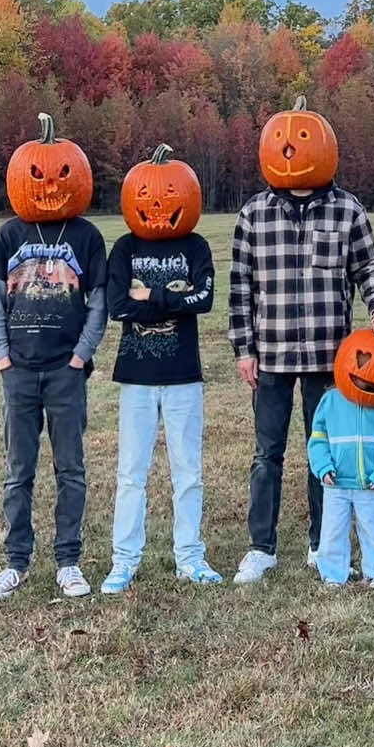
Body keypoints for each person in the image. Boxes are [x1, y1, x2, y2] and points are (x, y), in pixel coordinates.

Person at [229, 98, 374, 585]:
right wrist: (244, 348)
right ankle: (262, 547)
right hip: (273, 352)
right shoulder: (254, 214)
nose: (290, 150)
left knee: (324, 446)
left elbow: (368, 267)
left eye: (302, 142)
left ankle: (323, 542)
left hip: (331, 355)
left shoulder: (347, 210)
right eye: (282, 142)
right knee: (267, 453)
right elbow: (241, 285)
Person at [0, 211, 107, 600]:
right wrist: (3, 356)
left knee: (70, 468)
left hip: (65, 371)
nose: (48, 184)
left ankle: (68, 561)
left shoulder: (86, 236)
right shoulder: (9, 234)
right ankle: (16, 562)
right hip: (18, 371)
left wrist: (80, 356)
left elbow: (98, 303)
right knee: (19, 470)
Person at [101, 220, 219, 592]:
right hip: (137, 377)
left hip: (183, 375)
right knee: (131, 473)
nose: (157, 207)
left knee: (188, 471)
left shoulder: (195, 246)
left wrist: (149, 295)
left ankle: (189, 556)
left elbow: (205, 300)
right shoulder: (125, 247)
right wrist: (173, 304)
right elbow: (117, 306)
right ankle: (124, 560)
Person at [307, 387, 374, 587]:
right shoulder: (330, 401)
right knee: (333, 531)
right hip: (336, 486)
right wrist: (323, 466)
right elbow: (318, 439)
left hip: (369, 485)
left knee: (371, 530)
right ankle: (333, 575)